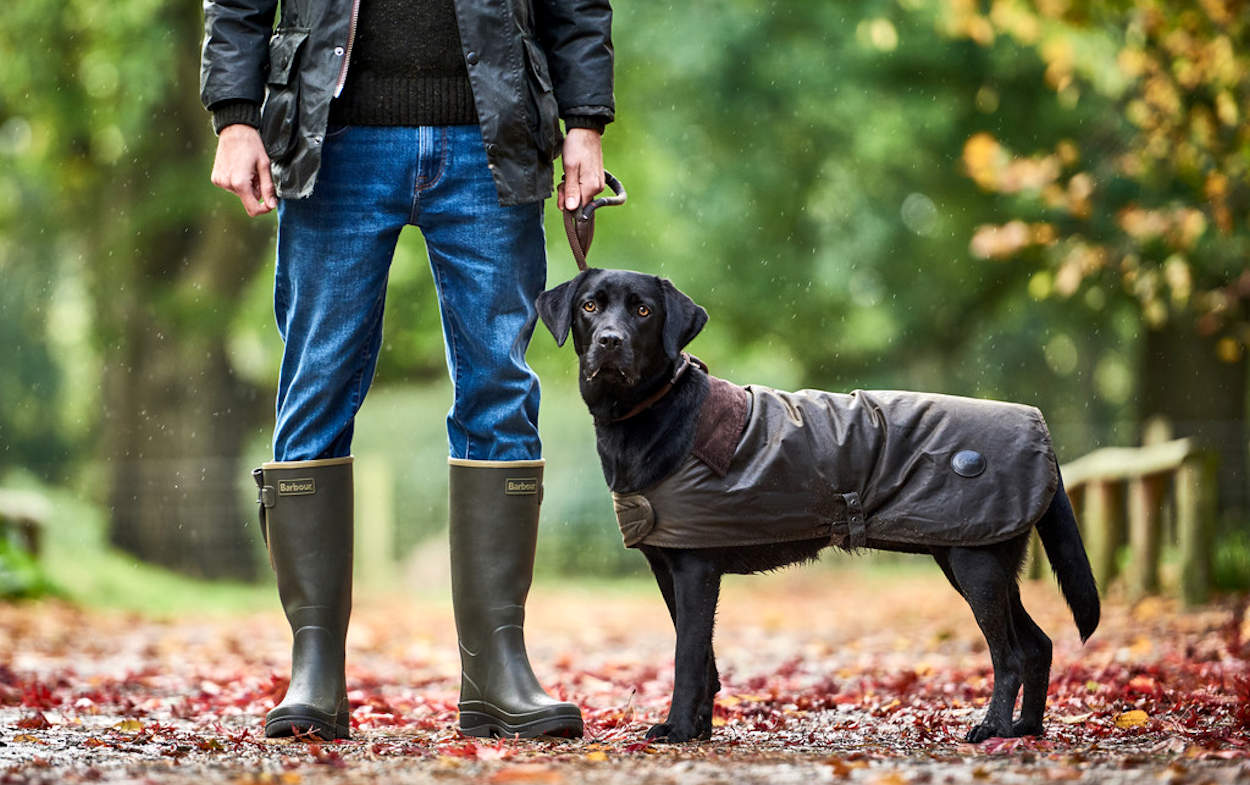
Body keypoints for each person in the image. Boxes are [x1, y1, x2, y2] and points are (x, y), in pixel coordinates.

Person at [200, 0, 613, 741]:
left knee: (500, 389)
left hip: (492, 135)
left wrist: (585, 119)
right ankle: (314, 667)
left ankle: (498, 667)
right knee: (316, 385)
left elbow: (576, 4)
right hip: (336, 137)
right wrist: (235, 114)